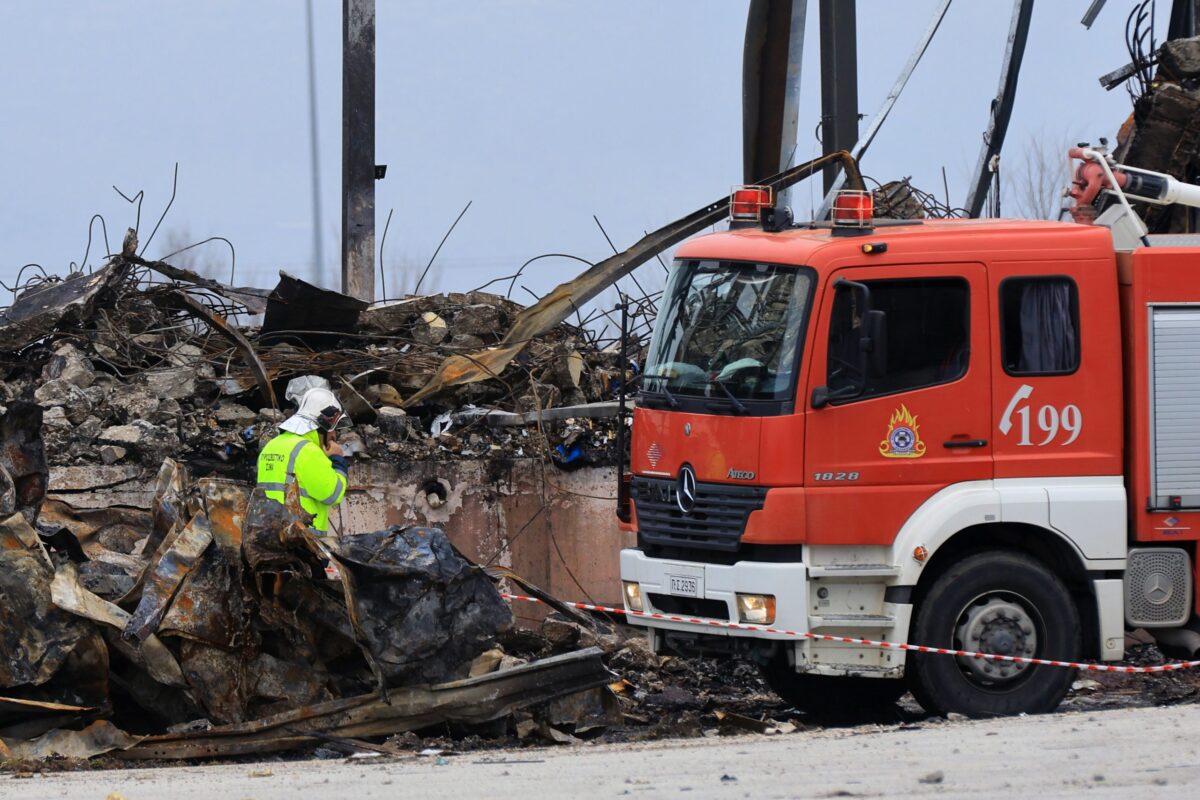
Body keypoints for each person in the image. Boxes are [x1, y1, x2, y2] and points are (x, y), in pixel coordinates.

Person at [255, 386, 349, 536]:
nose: (335, 436)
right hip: (303, 540)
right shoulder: (308, 450)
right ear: (324, 426)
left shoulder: (272, 445)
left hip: (269, 536)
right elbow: (333, 494)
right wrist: (337, 460)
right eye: (334, 429)